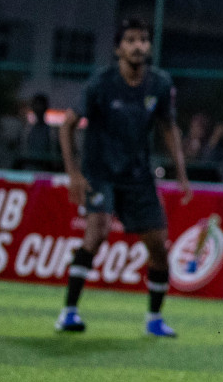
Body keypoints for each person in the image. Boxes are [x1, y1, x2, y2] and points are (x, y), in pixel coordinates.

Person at [55, 19, 191, 336]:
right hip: (99, 172)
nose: (137, 46)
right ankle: (68, 312)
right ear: (118, 49)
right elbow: (66, 126)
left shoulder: (159, 84)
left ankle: (154, 320)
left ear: (149, 47)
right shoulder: (101, 84)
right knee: (97, 232)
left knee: (158, 246)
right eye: (130, 40)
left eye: (143, 40)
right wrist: (73, 174)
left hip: (138, 176)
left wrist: (182, 173)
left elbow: (168, 128)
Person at [15, 93, 58, 171]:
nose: (39, 108)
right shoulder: (25, 131)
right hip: (27, 172)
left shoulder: (52, 132)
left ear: (46, 107)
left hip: (45, 173)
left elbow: (54, 156)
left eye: (41, 105)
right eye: (36, 105)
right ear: (33, 108)